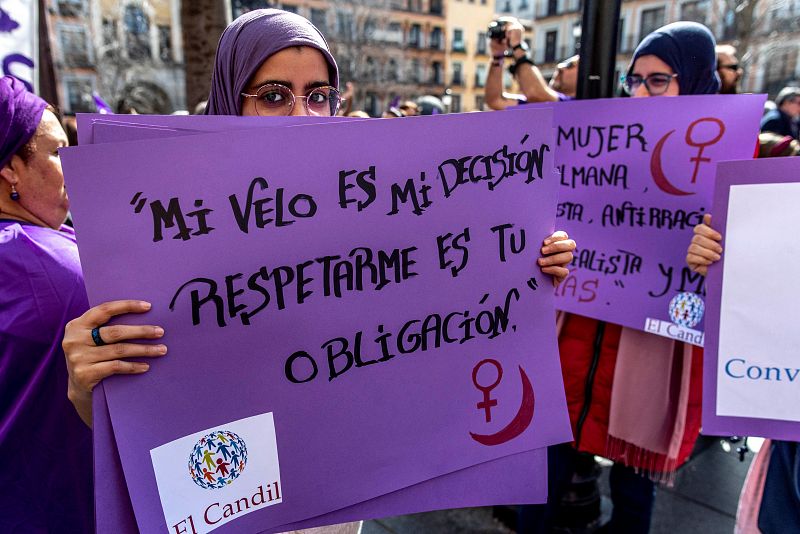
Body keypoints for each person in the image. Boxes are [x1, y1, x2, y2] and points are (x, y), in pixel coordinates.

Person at [60, 6, 576, 530]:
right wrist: (88, 386)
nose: (303, 115)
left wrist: (524, 266)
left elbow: (433, 313)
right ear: (229, 97)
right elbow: (139, 422)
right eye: (275, 96)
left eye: (320, 96)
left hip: (335, 509)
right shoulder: (164, 234)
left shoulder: (371, 213)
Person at [547, 22, 721, 534]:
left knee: (632, 489)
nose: (642, 91)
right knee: (543, 480)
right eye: (635, 79)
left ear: (696, 81)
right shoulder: (600, 145)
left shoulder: (730, 161)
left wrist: (717, 255)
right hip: (575, 344)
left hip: (652, 354)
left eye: (659, 79)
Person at [0, 75, 93, 531]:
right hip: (63, 506)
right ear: (9, 170)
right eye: (57, 153)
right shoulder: (49, 263)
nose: (72, 166)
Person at [485, 17, 575, 111]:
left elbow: (534, 93)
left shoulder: (577, 107)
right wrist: (497, 55)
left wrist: (517, 47)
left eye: (570, 64)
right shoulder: (544, 103)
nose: (560, 67)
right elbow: (495, 100)